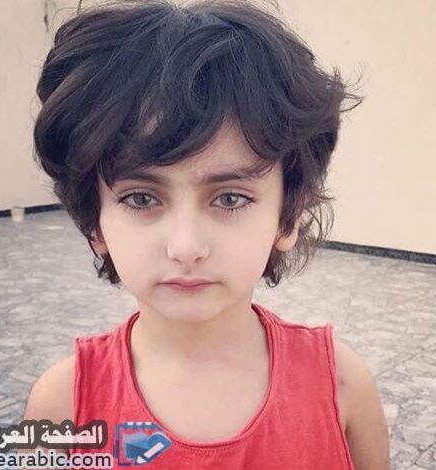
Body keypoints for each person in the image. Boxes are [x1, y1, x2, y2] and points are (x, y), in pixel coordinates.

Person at [24, 0, 390, 468]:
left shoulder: (342, 388)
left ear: (288, 216)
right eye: (141, 198)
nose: (187, 247)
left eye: (230, 198)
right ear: (96, 223)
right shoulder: (63, 407)